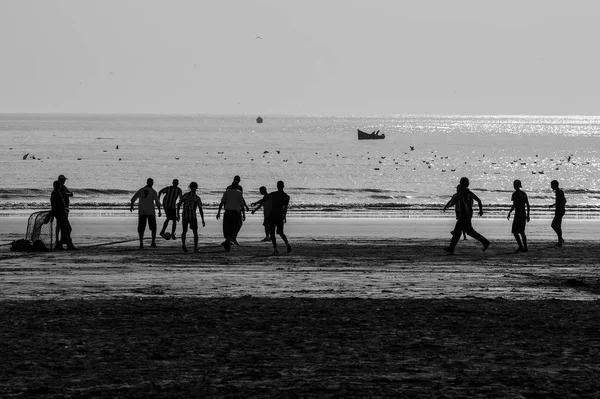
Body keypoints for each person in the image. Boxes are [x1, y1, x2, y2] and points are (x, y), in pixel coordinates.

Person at [442, 177, 490, 254]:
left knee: (468, 232)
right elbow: (479, 200)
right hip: (467, 215)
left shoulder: (460, 193)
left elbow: (453, 201)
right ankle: (451, 248)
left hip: (464, 216)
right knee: (459, 232)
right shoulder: (468, 193)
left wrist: (447, 206)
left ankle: (485, 242)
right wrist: (481, 210)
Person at [254, 180, 291, 255]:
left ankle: (275, 249)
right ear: (283, 186)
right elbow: (285, 208)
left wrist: (256, 203)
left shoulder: (273, 194)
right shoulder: (286, 197)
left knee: (272, 233)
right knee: (281, 232)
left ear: (277, 186)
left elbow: (264, 200)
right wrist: (284, 216)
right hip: (280, 215)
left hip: (272, 215)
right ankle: (287, 244)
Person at [130, 178, 162, 249]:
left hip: (142, 211)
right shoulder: (153, 191)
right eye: (152, 182)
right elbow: (157, 202)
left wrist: (132, 206)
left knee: (141, 227)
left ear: (147, 182)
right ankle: (153, 242)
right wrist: (159, 211)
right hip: (150, 211)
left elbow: (133, 198)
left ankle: (141, 243)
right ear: (152, 183)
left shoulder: (141, 190)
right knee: (153, 227)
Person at [44, 180, 76, 250]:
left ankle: (62, 243)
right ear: (59, 186)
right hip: (60, 214)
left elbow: (58, 204)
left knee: (66, 228)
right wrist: (52, 215)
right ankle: (67, 245)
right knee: (67, 228)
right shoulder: (55, 193)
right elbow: (54, 205)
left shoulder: (57, 192)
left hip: (62, 213)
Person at [216, 181, 246, 251]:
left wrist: (218, 212)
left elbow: (222, 202)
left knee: (228, 227)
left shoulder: (227, 192)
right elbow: (242, 205)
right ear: (237, 186)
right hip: (235, 212)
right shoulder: (239, 192)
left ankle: (228, 241)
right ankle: (229, 240)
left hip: (227, 212)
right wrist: (244, 214)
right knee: (237, 225)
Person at [177, 181, 205, 253]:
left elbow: (179, 204)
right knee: (195, 232)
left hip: (185, 215)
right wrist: (202, 219)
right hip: (192, 216)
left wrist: (177, 214)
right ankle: (195, 247)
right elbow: (200, 209)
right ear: (196, 188)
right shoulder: (197, 198)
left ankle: (183, 244)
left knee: (184, 231)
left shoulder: (185, 195)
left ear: (190, 187)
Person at [507, 179, 530, 252]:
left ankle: (521, 246)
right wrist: (528, 215)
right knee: (522, 232)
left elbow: (514, 205)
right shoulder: (523, 194)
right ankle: (525, 247)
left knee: (515, 231)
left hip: (518, 215)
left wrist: (510, 212)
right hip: (523, 213)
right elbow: (528, 205)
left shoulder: (515, 194)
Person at [54, 174, 73, 249]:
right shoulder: (58, 189)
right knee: (61, 226)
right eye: (63, 180)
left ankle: (61, 241)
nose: (64, 181)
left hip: (65, 209)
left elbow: (71, 194)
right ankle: (58, 241)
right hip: (61, 210)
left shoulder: (63, 187)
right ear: (60, 180)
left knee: (62, 226)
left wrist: (67, 193)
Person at [549, 180, 566, 246]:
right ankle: (560, 240)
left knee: (554, 225)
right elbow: (564, 200)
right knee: (558, 225)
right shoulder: (560, 191)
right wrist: (553, 205)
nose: (551, 186)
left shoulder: (558, 192)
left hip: (559, 211)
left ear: (555, 185)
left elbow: (562, 200)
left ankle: (560, 239)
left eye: (552, 185)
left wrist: (560, 208)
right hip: (560, 210)